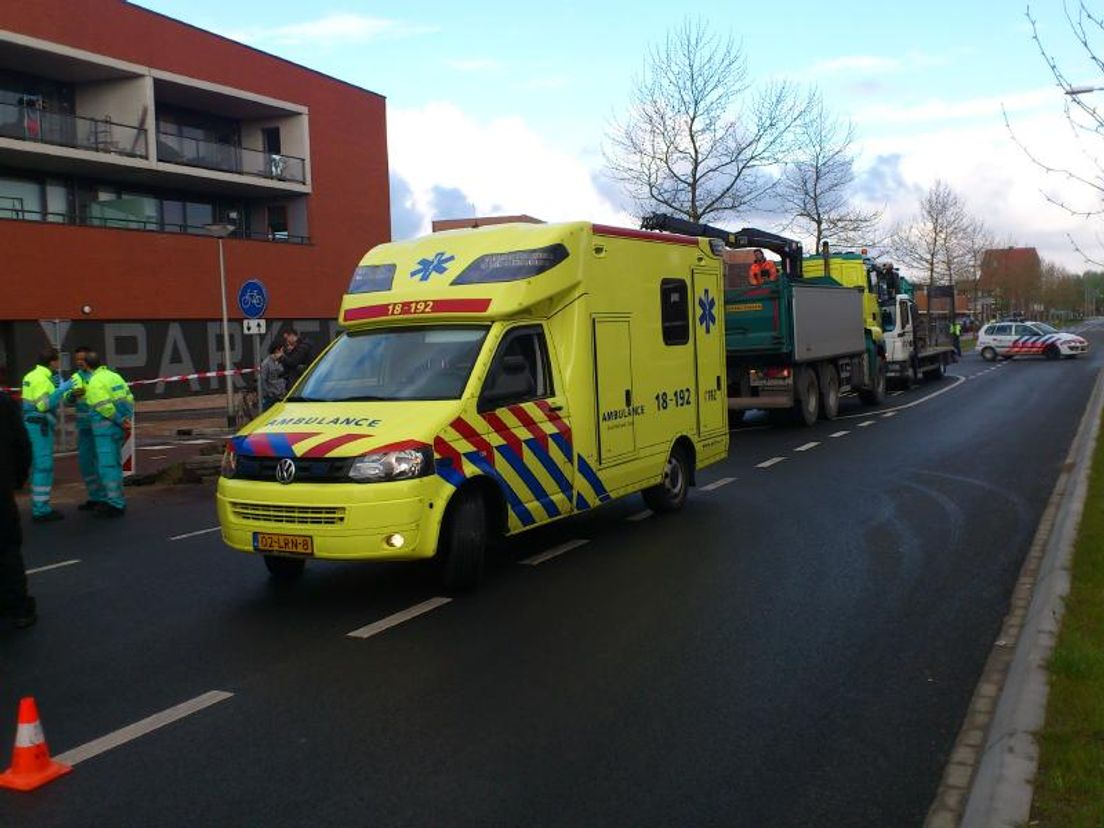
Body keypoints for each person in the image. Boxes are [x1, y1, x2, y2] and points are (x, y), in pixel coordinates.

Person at [21, 347, 72, 522]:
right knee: (44, 466)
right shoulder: (42, 379)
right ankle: (41, 510)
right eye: (58, 360)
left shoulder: (30, 375)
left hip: (31, 425)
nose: (59, 364)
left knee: (38, 465)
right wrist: (61, 389)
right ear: (52, 362)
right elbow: (43, 405)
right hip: (40, 426)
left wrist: (56, 387)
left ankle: (39, 506)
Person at [0, 386, 36, 628]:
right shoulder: (3, 403)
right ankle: (17, 610)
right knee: (7, 549)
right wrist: (16, 479)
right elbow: (21, 444)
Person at [83, 352, 133, 519]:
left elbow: (103, 407)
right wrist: (126, 419)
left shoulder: (94, 382)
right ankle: (116, 499)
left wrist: (119, 420)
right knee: (116, 465)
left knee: (107, 467)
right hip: (117, 429)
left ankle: (114, 503)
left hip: (105, 430)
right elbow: (129, 398)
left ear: (87, 365)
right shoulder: (115, 377)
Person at [68, 345, 105, 511]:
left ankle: (105, 498)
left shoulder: (100, 376)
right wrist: (71, 395)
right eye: (77, 360)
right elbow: (66, 397)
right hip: (84, 426)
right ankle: (94, 496)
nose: (80, 362)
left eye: (82, 359)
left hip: (100, 425)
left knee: (102, 463)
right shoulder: (75, 377)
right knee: (86, 463)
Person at [259, 341, 287, 411]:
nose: (283, 353)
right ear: (277, 350)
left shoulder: (282, 360)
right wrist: (269, 393)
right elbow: (262, 380)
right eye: (281, 350)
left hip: (282, 395)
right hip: (271, 397)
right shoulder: (266, 364)